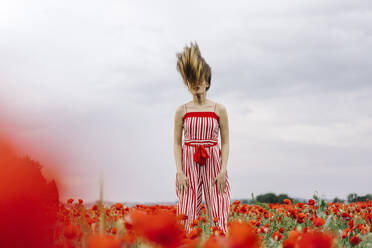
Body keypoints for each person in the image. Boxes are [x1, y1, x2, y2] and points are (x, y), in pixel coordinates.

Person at [173, 41, 231, 234]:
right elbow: (176, 142)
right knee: (186, 206)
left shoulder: (218, 109)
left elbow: (225, 141)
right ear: (187, 84)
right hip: (189, 160)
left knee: (218, 201)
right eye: (192, 80)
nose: (196, 84)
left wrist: (223, 169)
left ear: (207, 81)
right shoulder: (182, 110)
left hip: (213, 159)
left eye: (200, 79)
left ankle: (220, 241)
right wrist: (180, 171)